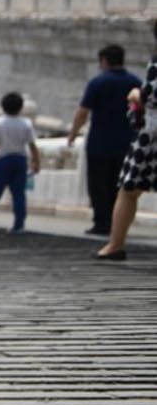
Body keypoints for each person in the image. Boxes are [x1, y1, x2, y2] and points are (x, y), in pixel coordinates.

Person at [96, 20, 157, 261]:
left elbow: (151, 94)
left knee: (128, 189)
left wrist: (135, 94)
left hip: (151, 136)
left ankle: (115, 244)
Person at [67, 44, 143, 235]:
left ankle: (102, 222)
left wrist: (73, 133)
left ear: (104, 61)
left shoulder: (97, 83)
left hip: (100, 142)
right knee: (119, 186)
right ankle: (118, 224)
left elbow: (83, 112)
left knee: (98, 184)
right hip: (127, 142)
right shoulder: (135, 82)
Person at [0, 92, 41, 233]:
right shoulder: (26, 123)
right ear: (21, 107)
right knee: (18, 194)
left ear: (2, 106)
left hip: (3, 159)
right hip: (20, 160)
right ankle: (18, 225)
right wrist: (36, 162)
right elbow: (32, 145)